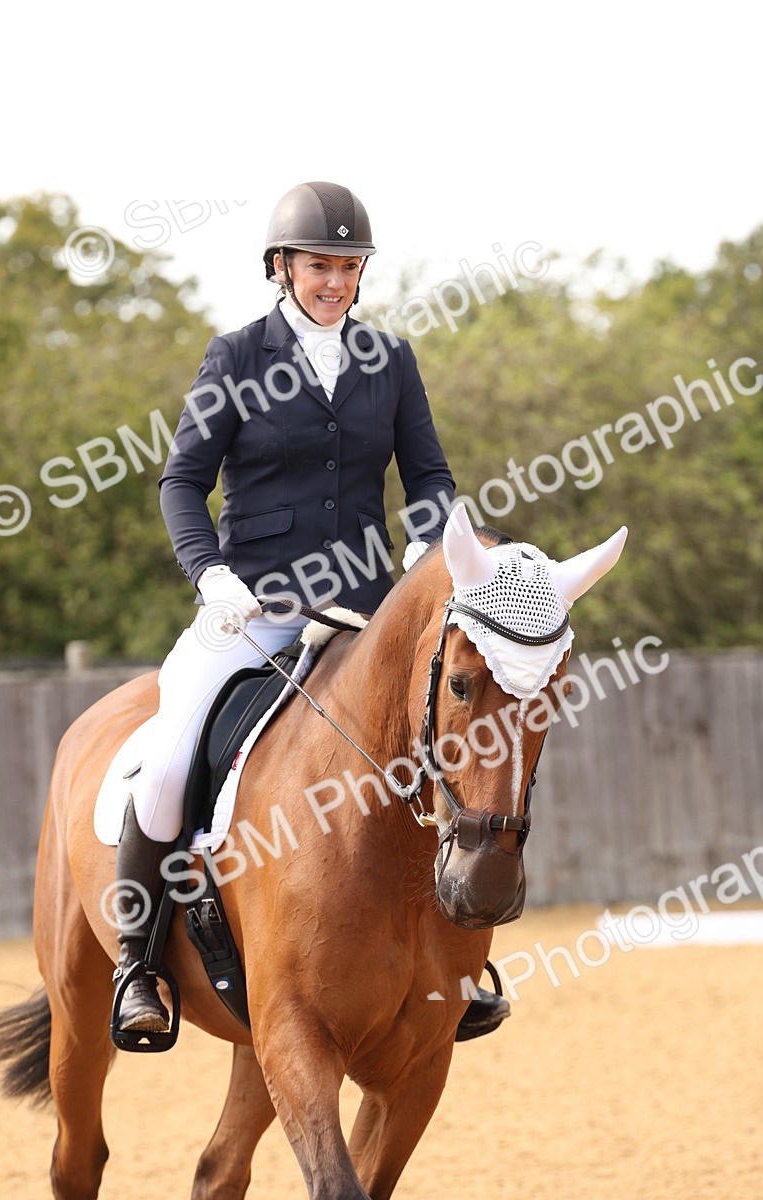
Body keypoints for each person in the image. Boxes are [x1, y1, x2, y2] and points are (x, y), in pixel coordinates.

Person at [111, 180, 509, 1041]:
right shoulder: (236, 357)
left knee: (439, 745)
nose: (335, 280)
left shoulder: (389, 360)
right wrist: (210, 575)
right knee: (170, 762)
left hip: (362, 613)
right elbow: (182, 481)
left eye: (349, 265)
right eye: (320, 264)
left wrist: (425, 542)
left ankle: (453, 958)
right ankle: (137, 965)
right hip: (251, 608)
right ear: (282, 267)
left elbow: (429, 473)